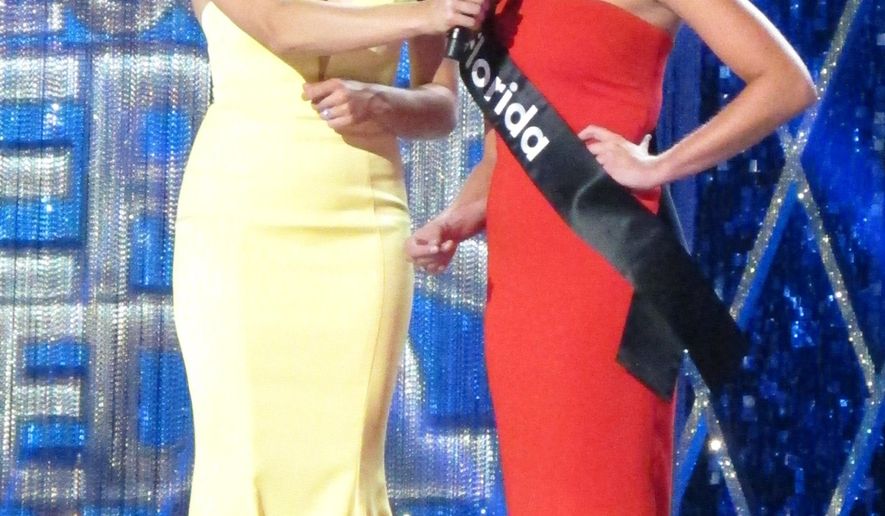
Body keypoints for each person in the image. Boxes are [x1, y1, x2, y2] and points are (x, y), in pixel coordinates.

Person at [406, 0, 816, 513]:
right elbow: (502, 154)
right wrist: (457, 218)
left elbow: (786, 81)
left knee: (600, 490)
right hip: (518, 288)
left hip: (600, 271)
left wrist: (660, 164)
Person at [172, 0, 487, 514]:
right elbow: (282, 28)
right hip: (240, 219)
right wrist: (423, 14)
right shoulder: (427, 10)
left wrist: (379, 101)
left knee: (350, 462)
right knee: (242, 458)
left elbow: (441, 105)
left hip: (363, 218)